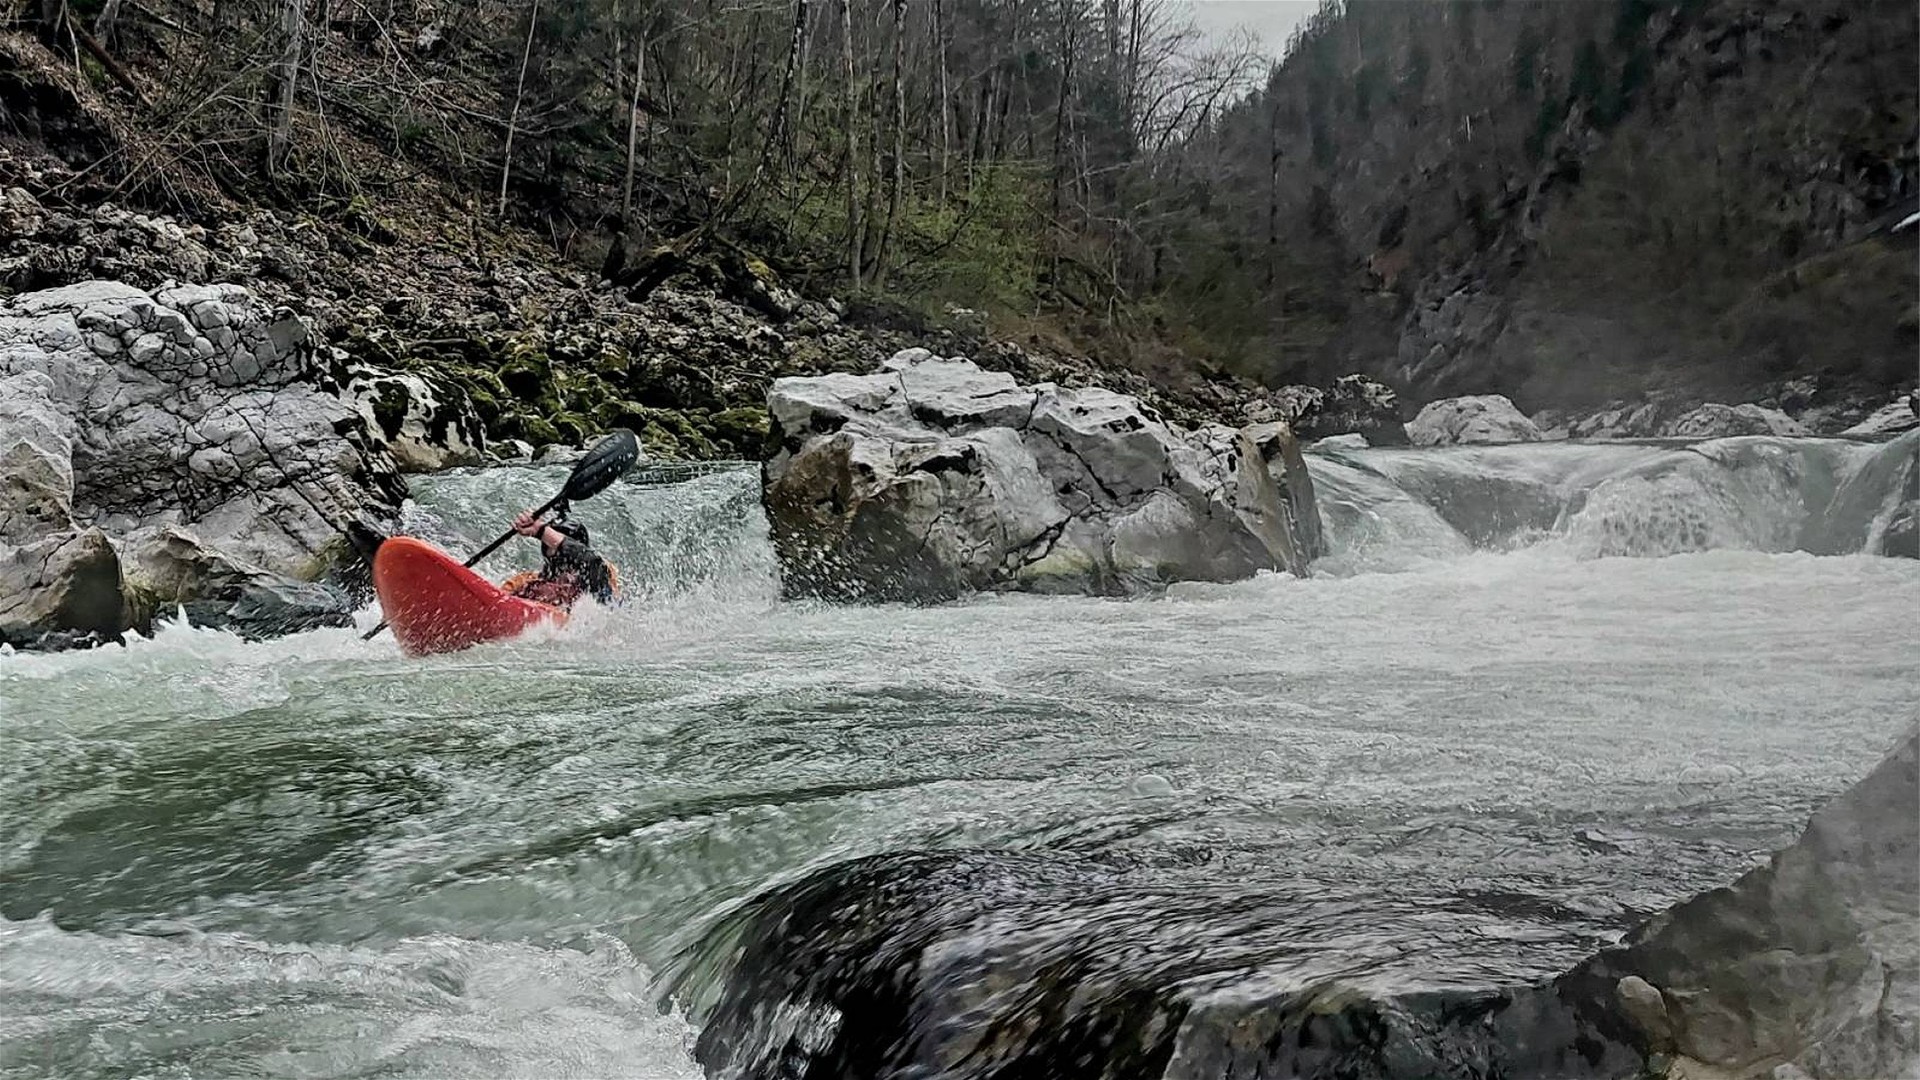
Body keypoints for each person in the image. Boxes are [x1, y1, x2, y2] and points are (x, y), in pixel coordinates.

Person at [507, 509, 617, 608]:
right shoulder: (525, 583)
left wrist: (541, 532)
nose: (562, 581)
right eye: (556, 567)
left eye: (569, 567)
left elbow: (592, 563)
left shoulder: (600, 578)